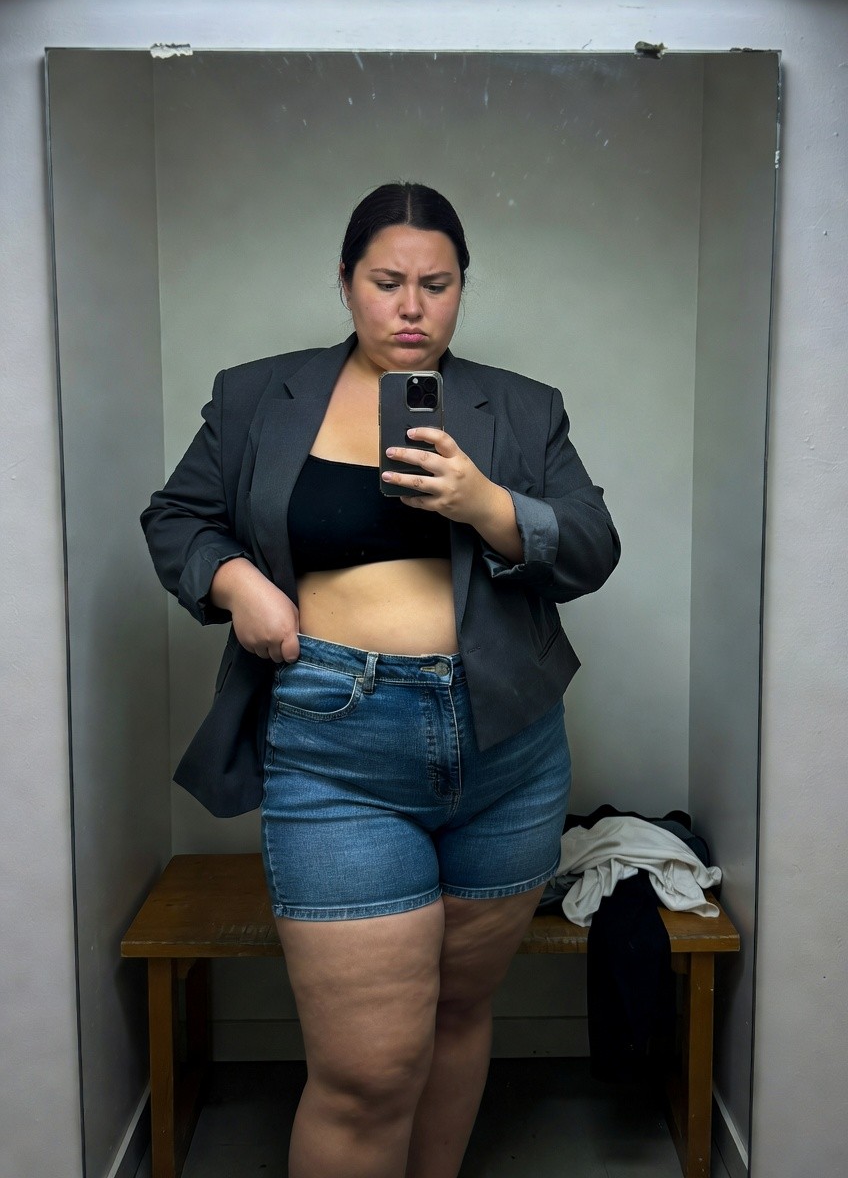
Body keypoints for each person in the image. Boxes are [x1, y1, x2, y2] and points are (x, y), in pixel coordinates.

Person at [141, 182, 620, 1178]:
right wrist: (238, 585)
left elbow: (592, 547)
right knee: (366, 1072)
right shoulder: (257, 397)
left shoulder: (521, 407)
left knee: (458, 1015)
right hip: (336, 747)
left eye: (436, 285)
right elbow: (179, 519)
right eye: (386, 281)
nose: (411, 308)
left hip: (507, 749)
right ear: (346, 281)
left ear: (462, 288)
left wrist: (487, 504)